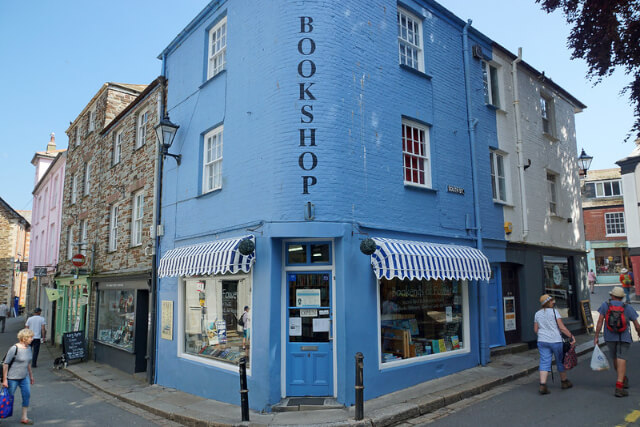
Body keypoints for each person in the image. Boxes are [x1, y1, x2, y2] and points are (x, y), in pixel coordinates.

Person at [594, 286, 640, 397]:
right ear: (621, 297)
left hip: (609, 337)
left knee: (615, 358)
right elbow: (636, 324)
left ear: (612, 296)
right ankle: (619, 385)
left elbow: (600, 321)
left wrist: (596, 336)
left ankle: (622, 379)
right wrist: (639, 333)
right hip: (624, 337)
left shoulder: (606, 305)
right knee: (622, 358)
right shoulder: (627, 307)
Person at [534, 294, 576, 395]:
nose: (553, 302)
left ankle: (542, 385)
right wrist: (571, 336)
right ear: (548, 303)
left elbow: (535, 330)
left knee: (544, 361)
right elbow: (562, 327)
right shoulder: (554, 312)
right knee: (560, 360)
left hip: (542, 341)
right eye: (551, 301)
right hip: (555, 341)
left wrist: (543, 334)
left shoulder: (537, 314)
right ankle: (564, 382)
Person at [2, 328, 35, 424]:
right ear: (24, 338)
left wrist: (31, 375)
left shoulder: (29, 348)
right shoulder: (14, 348)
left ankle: (24, 417)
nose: (32, 339)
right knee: (8, 397)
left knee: (26, 395)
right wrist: (5, 380)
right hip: (12, 378)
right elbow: (5, 364)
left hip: (24, 377)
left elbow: (28, 363)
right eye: (30, 337)